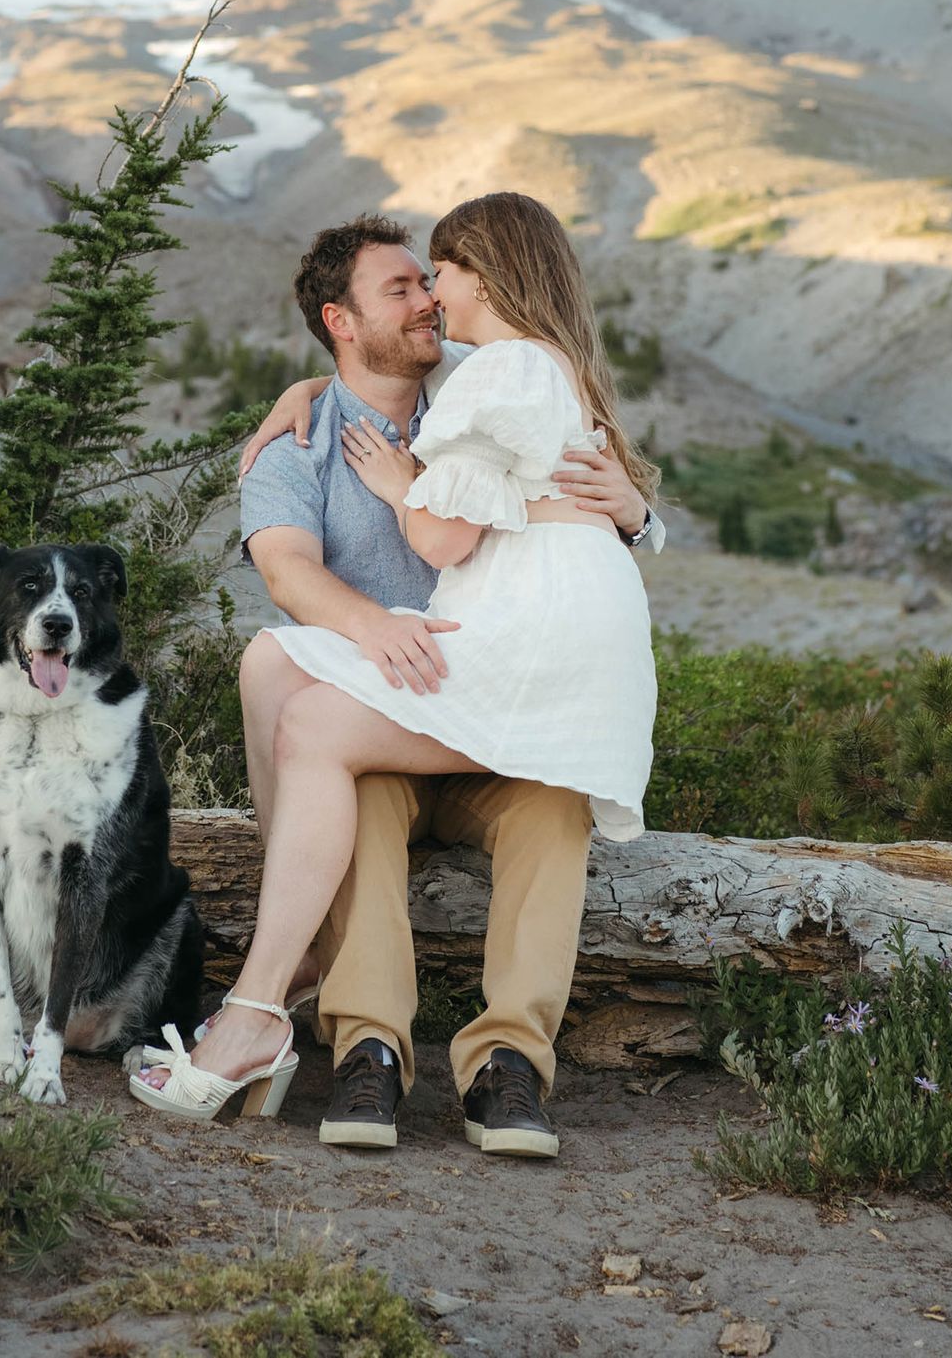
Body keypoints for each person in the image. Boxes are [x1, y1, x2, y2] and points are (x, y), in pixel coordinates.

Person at [129, 199, 662, 1155]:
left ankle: (508, 1068)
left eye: (432, 279)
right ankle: (365, 1047)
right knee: (315, 725)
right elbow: (287, 569)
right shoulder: (301, 442)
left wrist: (635, 512)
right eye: (403, 287)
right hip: (407, 712)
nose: (427, 298)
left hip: (497, 707)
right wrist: (374, 628)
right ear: (341, 321)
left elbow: (578, 485)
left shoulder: (484, 373)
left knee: (552, 802)